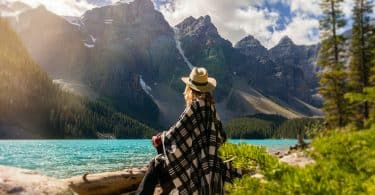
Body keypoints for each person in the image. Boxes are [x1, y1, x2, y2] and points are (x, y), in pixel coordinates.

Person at [136, 67, 239, 195]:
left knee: (156, 162)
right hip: (210, 168)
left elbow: (175, 133)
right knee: (165, 160)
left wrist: (158, 139)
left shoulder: (195, 106)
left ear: (190, 88)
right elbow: (221, 137)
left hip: (195, 169)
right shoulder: (211, 109)